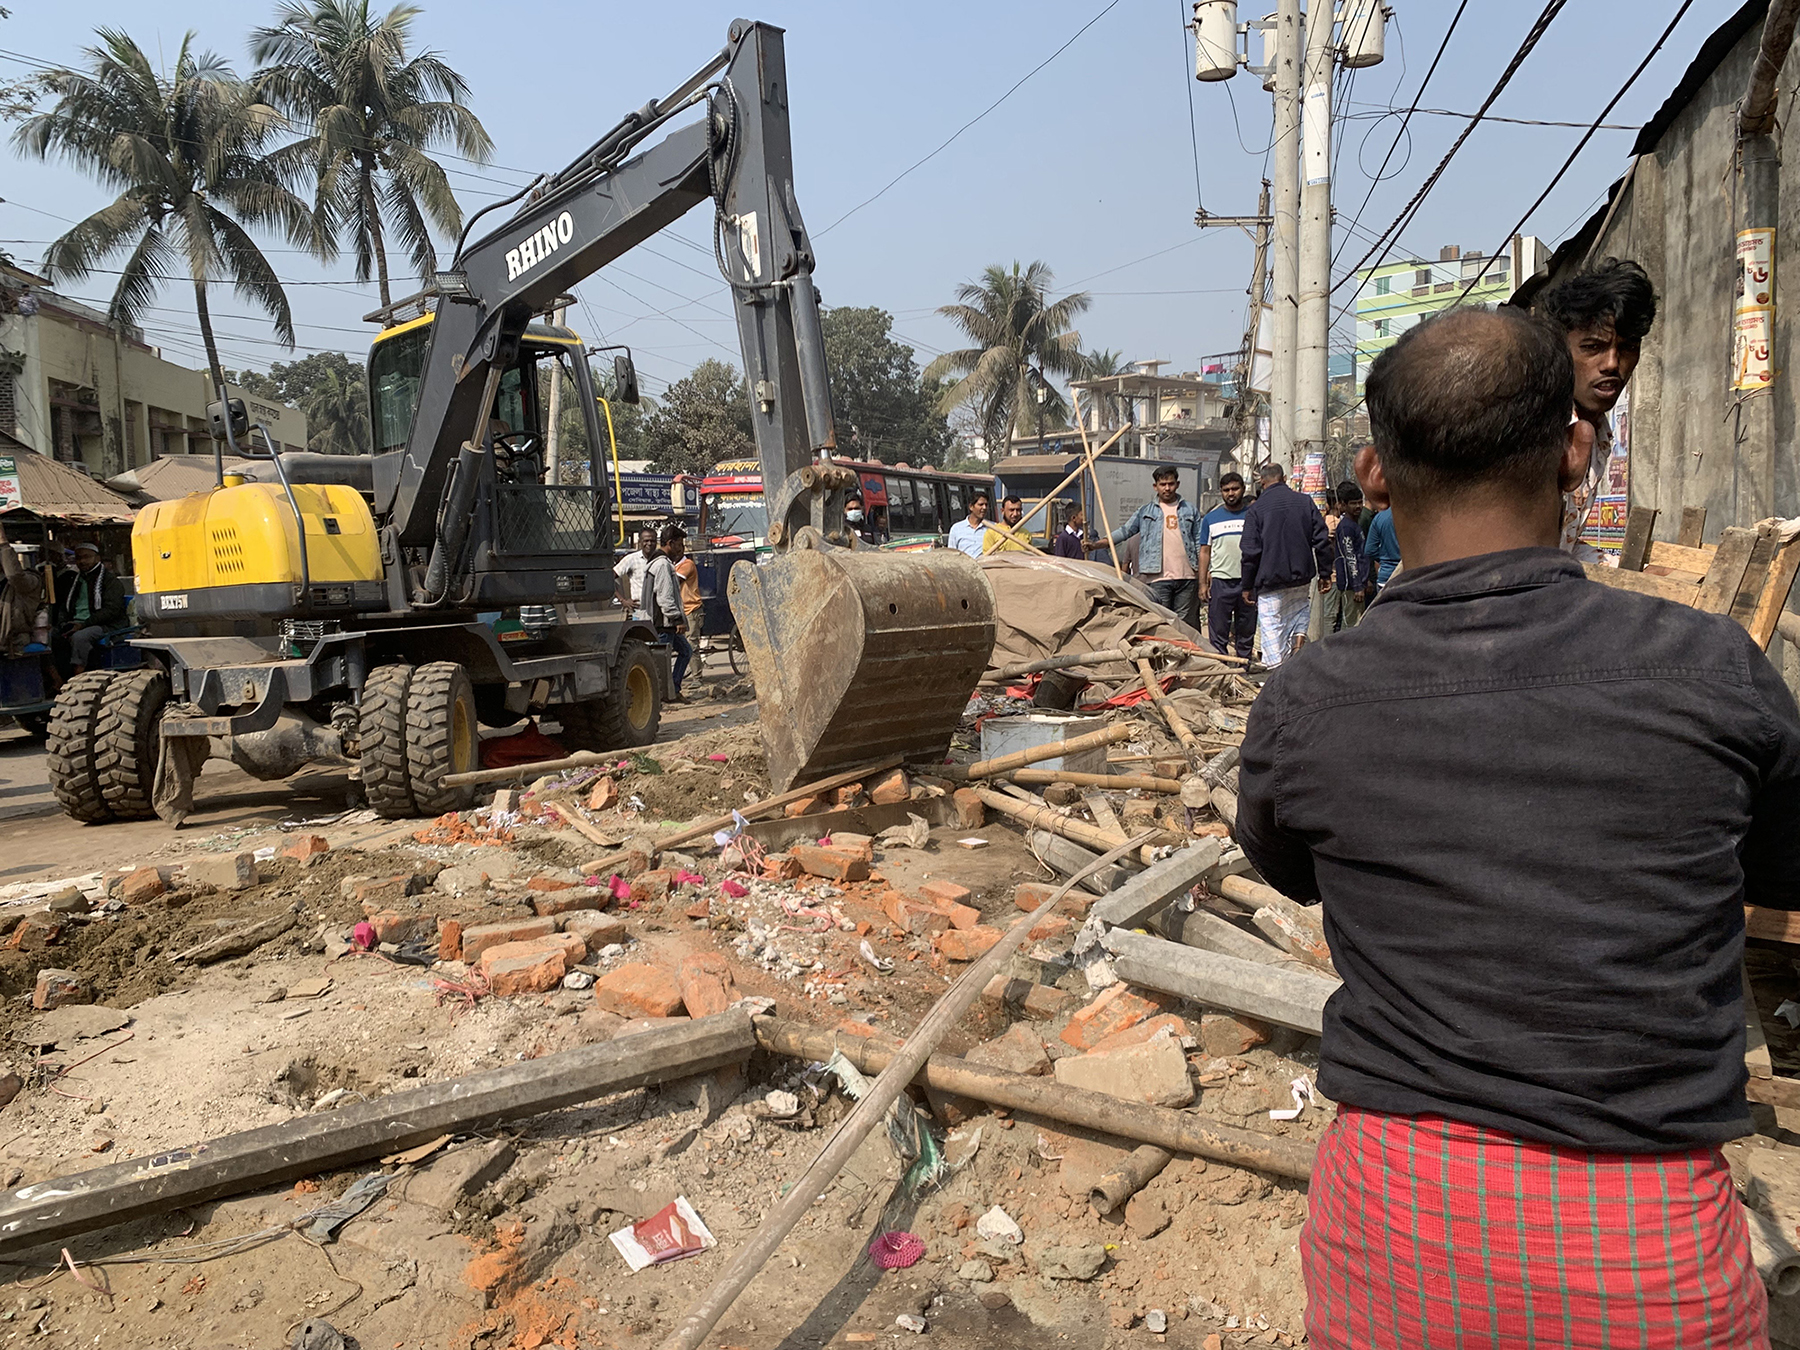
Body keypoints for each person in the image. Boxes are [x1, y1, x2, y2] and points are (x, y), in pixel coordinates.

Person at [1237, 306, 1800, 1349]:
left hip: (1394, 1234)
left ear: (1374, 475)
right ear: (1576, 451)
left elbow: (1290, 869)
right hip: (1650, 1251)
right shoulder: (1713, 671)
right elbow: (1776, 871)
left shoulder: (1309, 703)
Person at [1537, 257, 1657, 561]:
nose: (1612, 364)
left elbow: (1562, 546)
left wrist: (1628, 572)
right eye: (1592, 348)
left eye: (1628, 348)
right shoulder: (1532, 429)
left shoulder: (1599, 433)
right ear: (1560, 350)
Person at [1239, 463, 1331, 667]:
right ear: (1284, 478)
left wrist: (1247, 585)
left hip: (1270, 582)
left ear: (1262, 482)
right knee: (1299, 612)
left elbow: (1250, 552)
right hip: (1301, 578)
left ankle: (1276, 673)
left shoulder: (1256, 510)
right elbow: (1322, 540)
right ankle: (1297, 649)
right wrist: (1325, 573)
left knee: (1272, 629)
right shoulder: (1304, 502)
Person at [1106, 466, 1201, 621]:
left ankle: (1179, 646)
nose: (1167, 488)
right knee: (1161, 619)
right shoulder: (1145, 511)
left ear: (1177, 484)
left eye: (1170, 484)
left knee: (1183, 623)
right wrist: (1099, 543)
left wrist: (1203, 573)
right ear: (1155, 487)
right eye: (1163, 485)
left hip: (1187, 576)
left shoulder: (1190, 510)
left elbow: (1198, 542)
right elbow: (1125, 531)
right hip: (1157, 577)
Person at [1198, 471, 1255, 658]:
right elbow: (1204, 552)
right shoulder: (1210, 519)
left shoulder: (1253, 516)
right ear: (1221, 492)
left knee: (1246, 630)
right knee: (1218, 632)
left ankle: (1243, 670)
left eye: (1235, 489)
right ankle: (1221, 672)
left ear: (1243, 489)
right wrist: (1202, 583)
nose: (1231, 493)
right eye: (1226, 490)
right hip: (1221, 582)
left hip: (1247, 582)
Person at [52, 542, 129, 676]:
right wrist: (63, 622)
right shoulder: (73, 580)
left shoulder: (110, 581)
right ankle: (58, 680)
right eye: (79, 558)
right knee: (53, 636)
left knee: (80, 638)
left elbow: (111, 611)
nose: (82, 561)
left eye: (87, 557)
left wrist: (83, 624)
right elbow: (65, 606)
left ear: (97, 558)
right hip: (77, 623)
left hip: (106, 625)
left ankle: (77, 677)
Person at [644, 525, 691, 701]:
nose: (681, 549)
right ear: (670, 543)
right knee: (661, 662)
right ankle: (665, 695)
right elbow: (665, 597)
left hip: (665, 622)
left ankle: (674, 689)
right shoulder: (662, 564)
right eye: (679, 544)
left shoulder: (658, 562)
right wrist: (676, 618)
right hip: (664, 623)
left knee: (685, 651)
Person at [1326, 481, 1369, 632]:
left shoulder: (1354, 525)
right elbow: (1350, 557)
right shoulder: (1346, 527)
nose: (1358, 507)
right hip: (1351, 586)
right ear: (1343, 505)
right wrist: (1358, 586)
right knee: (1352, 625)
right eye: (1353, 503)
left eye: (1360, 502)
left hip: (1356, 583)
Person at [671, 542, 706, 692]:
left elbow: (674, 582)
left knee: (692, 644)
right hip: (680, 610)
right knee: (682, 645)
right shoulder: (673, 565)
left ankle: (697, 678)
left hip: (691, 609)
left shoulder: (687, 565)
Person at [613, 527, 659, 619]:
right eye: (646, 540)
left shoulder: (661, 559)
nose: (649, 544)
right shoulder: (631, 559)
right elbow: (608, 579)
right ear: (640, 542)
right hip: (639, 612)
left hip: (659, 612)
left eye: (652, 541)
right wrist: (623, 601)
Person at [1363, 504, 1401, 591]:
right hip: (1409, 576)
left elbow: (1370, 550)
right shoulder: (1414, 517)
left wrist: (1385, 557)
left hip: (1386, 577)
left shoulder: (1380, 518)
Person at [947, 493, 989, 558]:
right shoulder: (956, 528)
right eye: (981, 505)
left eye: (986, 505)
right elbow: (951, 554)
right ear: (971, 507)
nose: (984, 507)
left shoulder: (993, 528)